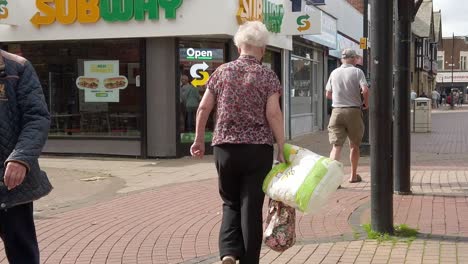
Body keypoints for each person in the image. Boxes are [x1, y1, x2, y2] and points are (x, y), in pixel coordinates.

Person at [190, 21, 285, 264]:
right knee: (251, 207)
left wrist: (199, 139)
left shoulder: (222, 72)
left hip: (225, 148)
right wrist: (281, 147)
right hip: (257, 149)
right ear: (262, 49)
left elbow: (203, 108)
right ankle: (250, 260)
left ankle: (229, 252)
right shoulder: (267, 75)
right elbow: (273, 114)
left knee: (230, 202)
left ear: (239, 46)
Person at [0, 51, 52, 263]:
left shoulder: (17, 68)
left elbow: (37, 118)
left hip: (11, 183)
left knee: (22, 253)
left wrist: (21, 158)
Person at [325, 48, 369, 183]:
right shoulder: (357, 72)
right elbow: (365, 89)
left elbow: (327, 94)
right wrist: (365, 103)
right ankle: (353, 176)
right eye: (356, 58)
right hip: (353, 111)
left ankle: (331, 180)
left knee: (336, 146)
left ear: (342, 59)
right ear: (353, 58)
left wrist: (339, 100)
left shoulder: (334, 72)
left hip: (336, 111)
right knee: (354, 145)